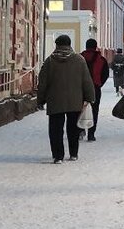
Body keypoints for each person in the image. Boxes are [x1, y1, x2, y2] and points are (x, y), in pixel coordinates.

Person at [36, 34, 96, 163]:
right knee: (73, 128)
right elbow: (86, 80)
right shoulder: (79, 60)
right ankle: (73, 153)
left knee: (55, 129)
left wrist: (40, 99)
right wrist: (90, 97)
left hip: (55, 101)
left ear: (57, 45)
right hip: (75, 101)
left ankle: (58, 156)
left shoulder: (50, 61)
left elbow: (42, 82)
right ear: (69, 44)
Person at [80, 39, 110, 142]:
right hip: (95, 88)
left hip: (81, 88)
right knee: (94, 111)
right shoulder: (101, 59)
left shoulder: (79, 58)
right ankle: (91, 134)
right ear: (96, 46)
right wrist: (99, 83)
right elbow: (105, 74)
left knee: (80, 109)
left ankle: (80, 130)